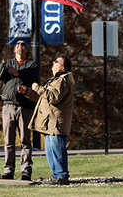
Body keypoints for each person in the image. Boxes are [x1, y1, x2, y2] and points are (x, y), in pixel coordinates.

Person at [18, 55, 74, 185]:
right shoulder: (55, 81)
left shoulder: (62, 81)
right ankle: (56, 176)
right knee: (51, 153)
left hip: (56, 124)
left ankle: (61, 177)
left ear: (62, 67)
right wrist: (28, 92)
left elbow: (54, 97)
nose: (53, 63)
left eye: (56, 61)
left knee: (57, 151)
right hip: (50, 124)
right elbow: (44, 99)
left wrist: (39, 88)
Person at [0, 40, 39, 180]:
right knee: (9, 141)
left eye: (23, 44)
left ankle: (25, 171)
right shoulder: (8, 63)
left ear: (26, 49)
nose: (20, 46)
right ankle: (8, 170)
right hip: (8, 107)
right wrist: (3, 62)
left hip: (25, 107)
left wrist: (18, 74)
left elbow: (34, 79)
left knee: (25, 141)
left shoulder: (31, 64)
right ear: (14, 50)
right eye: (17, 45)